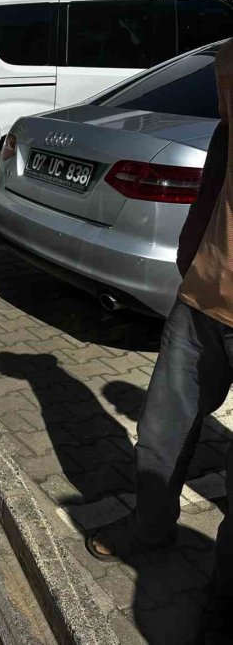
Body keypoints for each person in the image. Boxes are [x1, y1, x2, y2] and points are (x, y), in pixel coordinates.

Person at [86, 38, 232, 570]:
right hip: (204, 298)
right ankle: (150, 526)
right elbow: (218, 168)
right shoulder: (228, 61)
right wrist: (194, 254)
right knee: (162, 428)